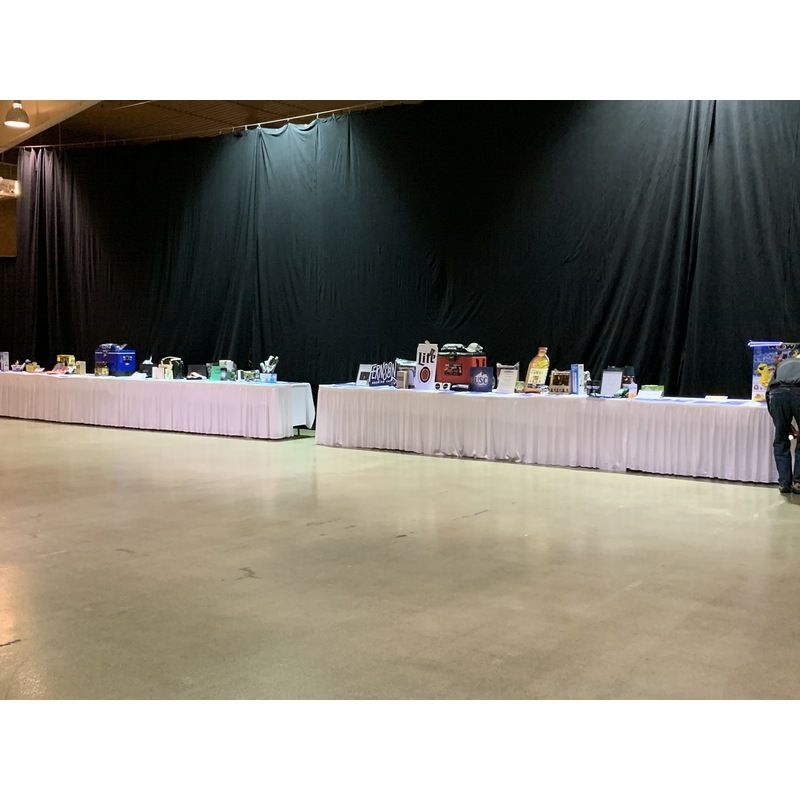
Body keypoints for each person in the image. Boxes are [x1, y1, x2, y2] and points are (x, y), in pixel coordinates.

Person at [766, 351, 800, 494]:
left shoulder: (782, 364)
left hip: (777, 395)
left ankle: (784, 483)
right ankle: (798, 483)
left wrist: (780, 422)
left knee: (781, 439)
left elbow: (768, 392)